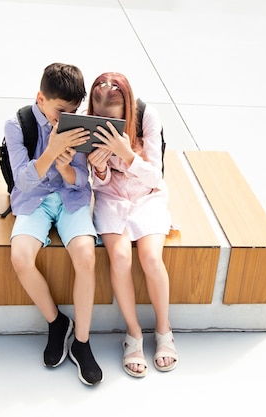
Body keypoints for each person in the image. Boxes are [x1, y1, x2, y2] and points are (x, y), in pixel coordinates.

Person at [4, 63, 102, 386]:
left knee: (87, 256)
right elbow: (23, 182)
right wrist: (51, 152)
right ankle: (57, 322)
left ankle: (82, 343)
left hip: (70, 197)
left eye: (72, 111)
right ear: (40, 98)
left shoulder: (77, 125)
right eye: (60, 110)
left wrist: (68, 169)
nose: (64, 118)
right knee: (20, 256)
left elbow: (81, 182)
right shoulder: (18, 125)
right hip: (34, 200)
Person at [86, 72, 178, 378]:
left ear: (126, 110)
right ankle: (134, 333)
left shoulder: (147, 117)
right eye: (100, 119)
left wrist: (127, 155)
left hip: (147, 195)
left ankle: (164, 330)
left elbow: (156, 177)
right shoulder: (88, 121)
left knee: (151, 257)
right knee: (121, 257)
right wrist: (99, 168)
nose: (105, 125)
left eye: (112, 120)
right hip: (111, 198)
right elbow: (97, 182)